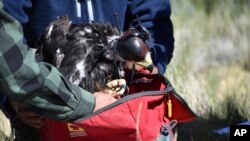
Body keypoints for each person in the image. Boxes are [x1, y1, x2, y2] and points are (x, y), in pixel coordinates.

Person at [1, 0, 174, 140]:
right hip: (44, 107)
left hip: (117, 111)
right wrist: (15, 95)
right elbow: (5, 43)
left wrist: (144, 61)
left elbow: (153, 22)